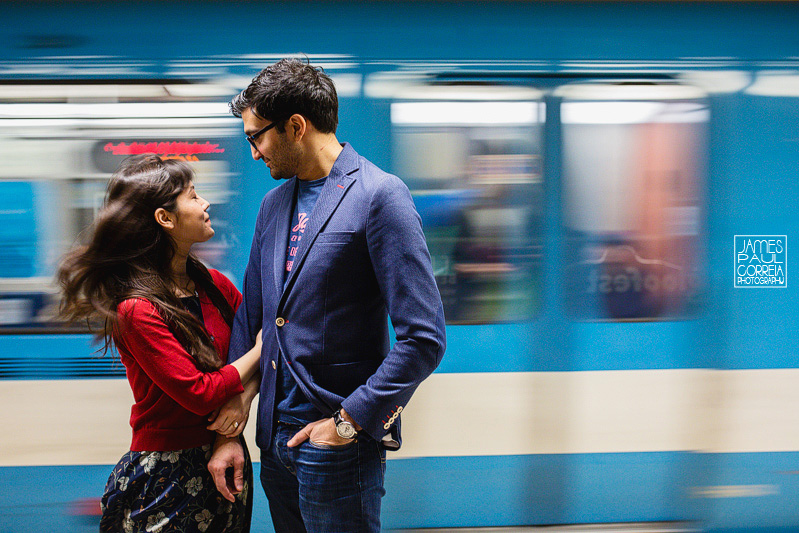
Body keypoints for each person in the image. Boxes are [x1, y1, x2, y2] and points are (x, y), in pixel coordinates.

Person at [206, 57, 447, 533]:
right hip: (273, 444)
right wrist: (228, 432)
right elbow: (252, 321)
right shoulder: (274, 205)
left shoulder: (380, 196)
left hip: (336, 443)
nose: (253, 153)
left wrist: (347, 423)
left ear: (296, 126)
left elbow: (425, 337)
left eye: (257, 136)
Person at [57, 154, 261, 532]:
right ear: (165, 219)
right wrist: (260, 350)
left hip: (226, 456)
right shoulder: (137, 310)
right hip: (165, 475)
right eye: (193, 196)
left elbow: (259, 349)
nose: (206, 204)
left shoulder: (213, 285)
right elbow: (200, 392)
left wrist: (234, 418)